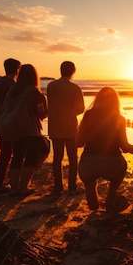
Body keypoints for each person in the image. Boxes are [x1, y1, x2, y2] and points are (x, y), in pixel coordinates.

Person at [76, 86, 133, 212]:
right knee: (122, 167)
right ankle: (110, 197)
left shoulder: (88, 115)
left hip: (89, 162)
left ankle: (93, 203)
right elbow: (124, 147)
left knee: (89, 181)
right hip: (112, 162)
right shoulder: (119, 118)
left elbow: (79, 142)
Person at [2, 64, 49, 195]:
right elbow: (41, 113)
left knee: (17, 156)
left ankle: (14, 188)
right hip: (31, 129)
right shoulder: (34, 92)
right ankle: (24, 187)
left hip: (15, 128)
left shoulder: (13, 90)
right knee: (34, 156)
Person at [46, 61, 85, 195]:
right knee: (73, 157)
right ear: (73, 71)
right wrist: (70, 112)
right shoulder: (74, 88)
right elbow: (81, 109)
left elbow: (49, 105)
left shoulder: (51, 86)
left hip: (55, 125)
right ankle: (72, 185)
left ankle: (58, 185)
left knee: (57, 157)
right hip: (70, 126)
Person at [0, 58, 21, 192]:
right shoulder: (12, 85)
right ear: (17, 70)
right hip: (9, 123)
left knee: (5, 153)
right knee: (10, 153)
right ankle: (1, 182)